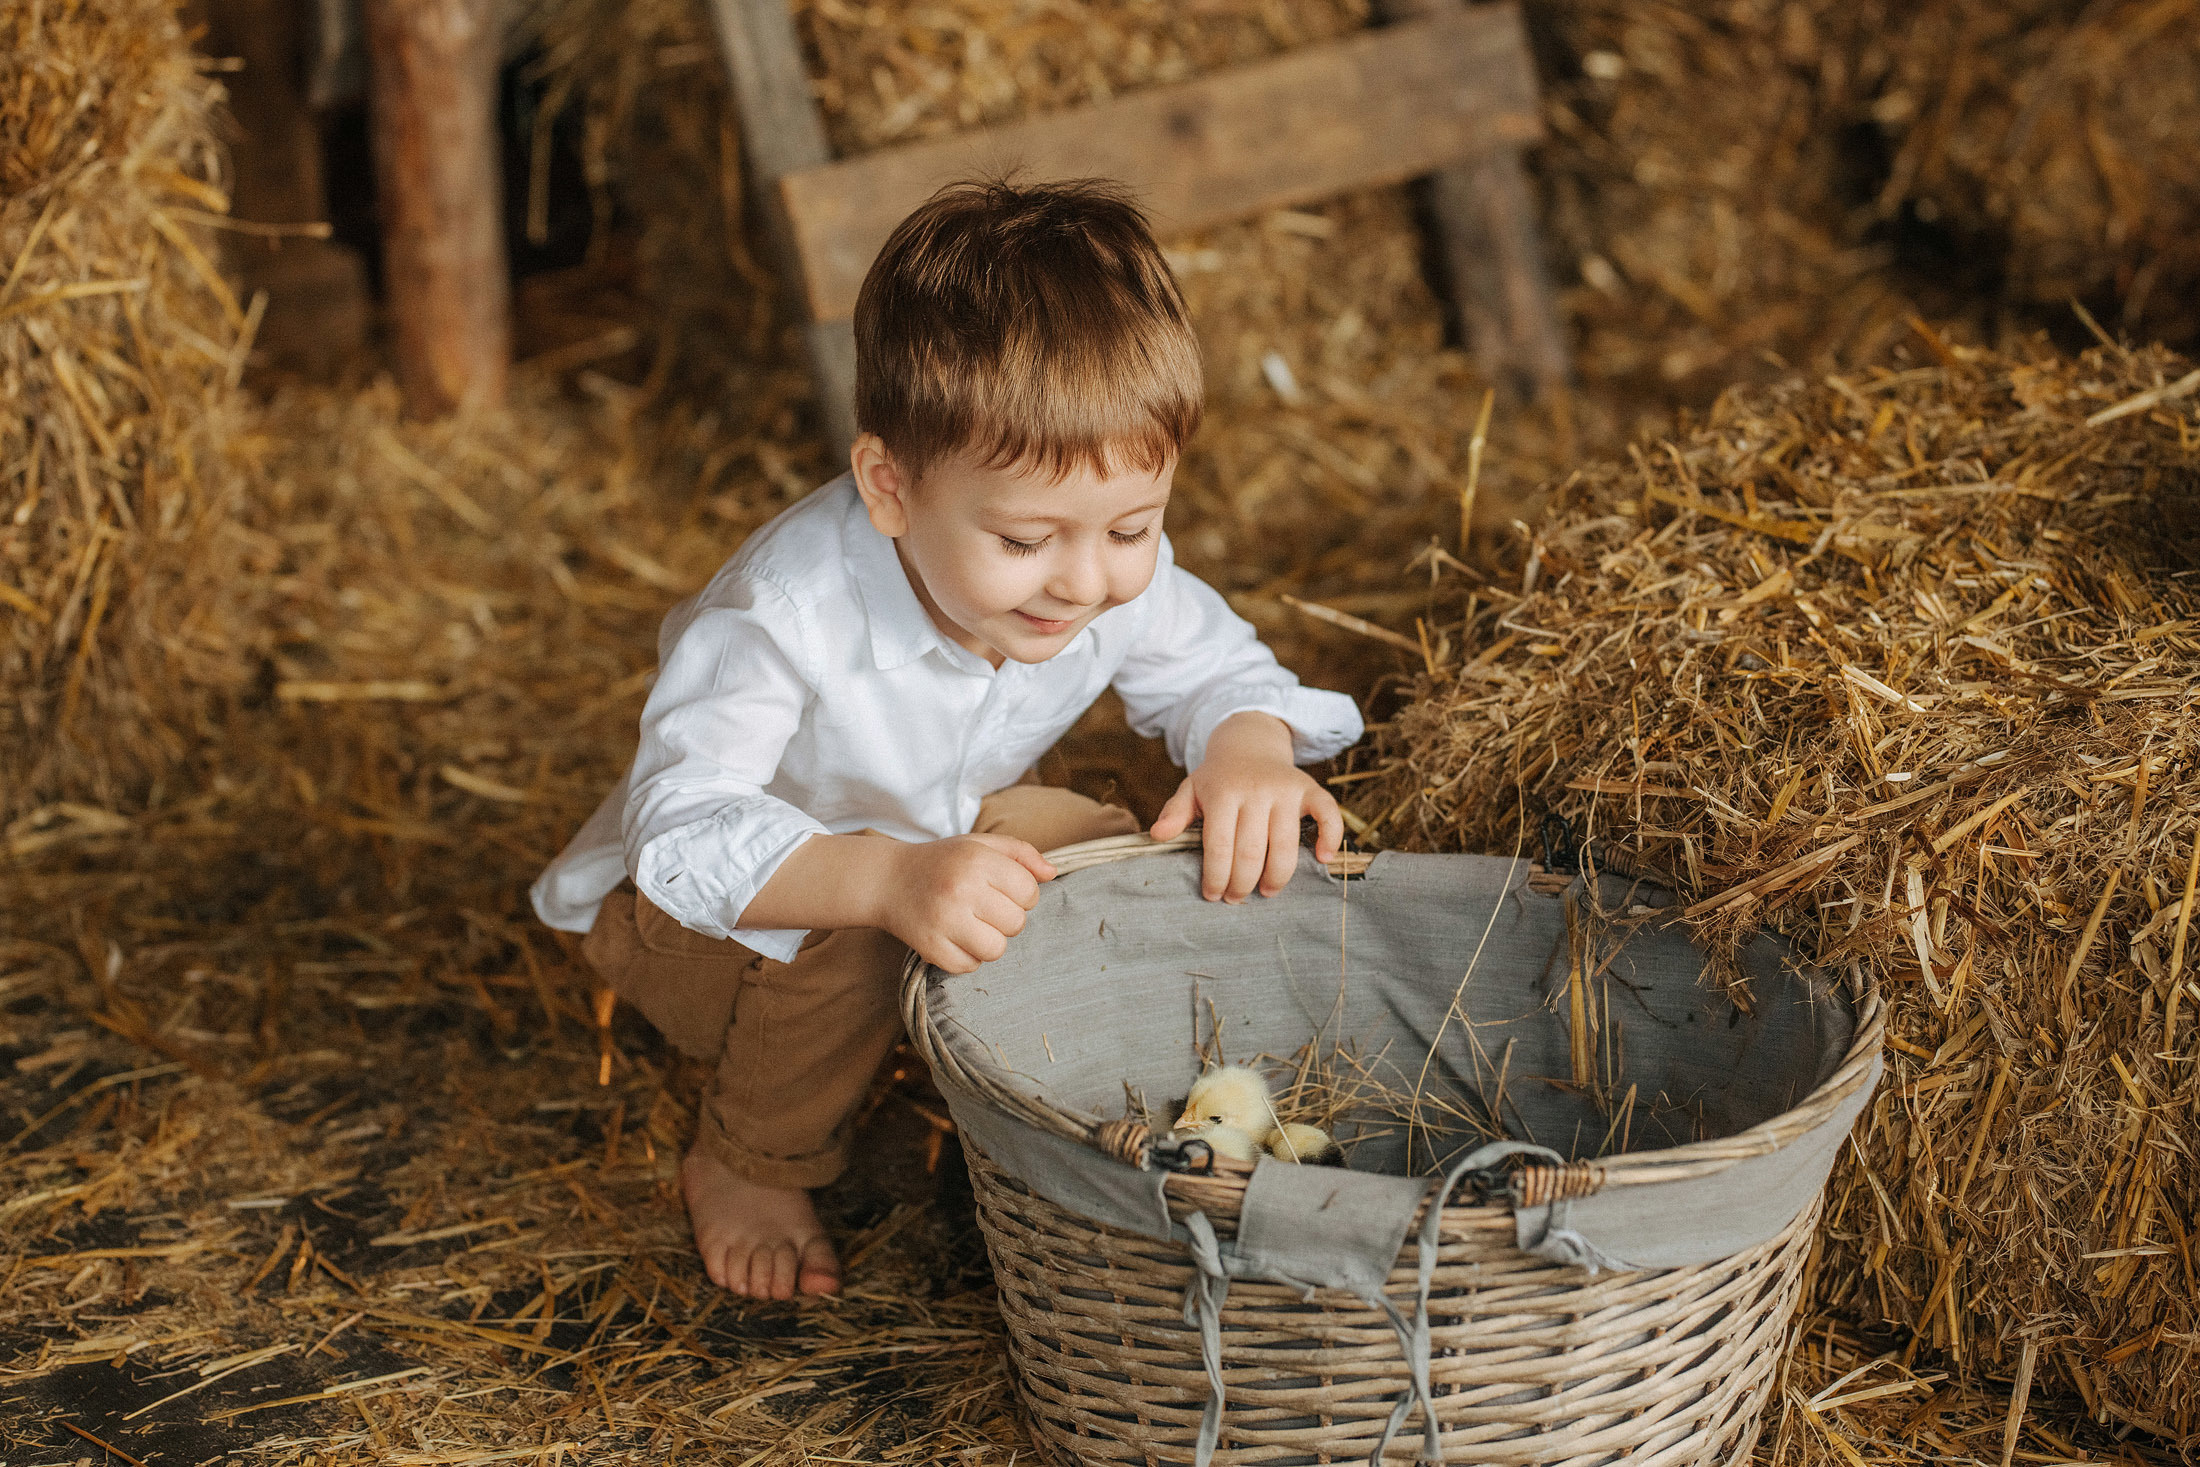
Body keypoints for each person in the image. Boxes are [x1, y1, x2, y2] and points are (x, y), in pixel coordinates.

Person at [532, 178, 1362, 1301]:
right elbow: (680, 830)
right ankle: (750, 1158)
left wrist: (1249, 749)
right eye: (1025, 539)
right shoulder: (780, 615)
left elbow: (1214, 667)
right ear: (889, 487)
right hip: (706, 921)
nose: (1084, 579)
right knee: (874, 931)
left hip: (930, 840)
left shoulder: (1095, 571)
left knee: (1083, 846)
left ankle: (1109, 1083)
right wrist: (885, 879)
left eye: (1131, 526)